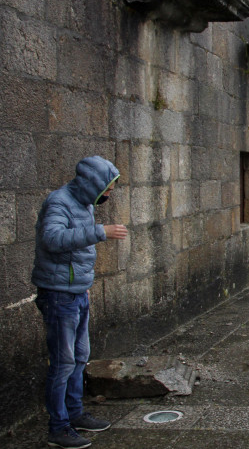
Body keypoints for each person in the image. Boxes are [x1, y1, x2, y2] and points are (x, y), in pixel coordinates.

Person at [32, 156, 128, 449]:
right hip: (58, 295)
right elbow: (53, 238)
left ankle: (74, 413)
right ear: (93, 184)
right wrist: (101, 232)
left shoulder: (84, 204)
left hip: (76, 292)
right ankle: (58, 428)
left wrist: (83, 285)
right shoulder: (59, 202)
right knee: (62, 363)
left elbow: (77, 254)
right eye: (107, 187)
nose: (109, 193)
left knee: (79, 356)